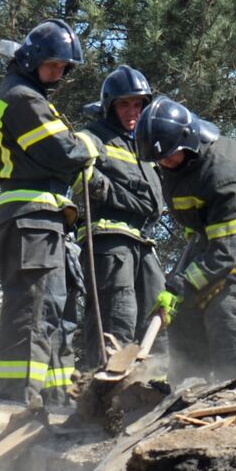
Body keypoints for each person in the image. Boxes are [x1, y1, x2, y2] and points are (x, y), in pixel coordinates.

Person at [134, 97, 236, 382]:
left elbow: (226, 252)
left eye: (170, 155)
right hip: (222, 239)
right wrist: (179, 287)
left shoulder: (222, 171)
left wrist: (182, 281)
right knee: (182, 310)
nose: (165, 163)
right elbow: (203, 235)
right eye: (159, 159)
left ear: (188, 140)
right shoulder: (177, 166)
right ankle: (185, 388)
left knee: (228, 305)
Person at [0, 19, 93, 405]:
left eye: (64, 68)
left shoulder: (26, 94)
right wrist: (87, 147)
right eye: (52, 66)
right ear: (30, 59)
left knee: (57, 311)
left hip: (43, 220)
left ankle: (59, 400)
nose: (58, 74)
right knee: (31, 311)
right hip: (30, 216)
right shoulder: (24, 99)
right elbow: (64, 154)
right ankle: (17, 399)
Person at [73, 66, 167, 370]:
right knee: (118, 314)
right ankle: (103, 387)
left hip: (142, 242)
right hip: (109, 242)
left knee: (158, 315)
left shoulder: (143, 143)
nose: (132, 112)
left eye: (138, 104)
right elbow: (72, 166)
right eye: (124, 104)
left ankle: (152, 388)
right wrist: (109, 191)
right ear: (109, 106)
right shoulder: (94, 136)